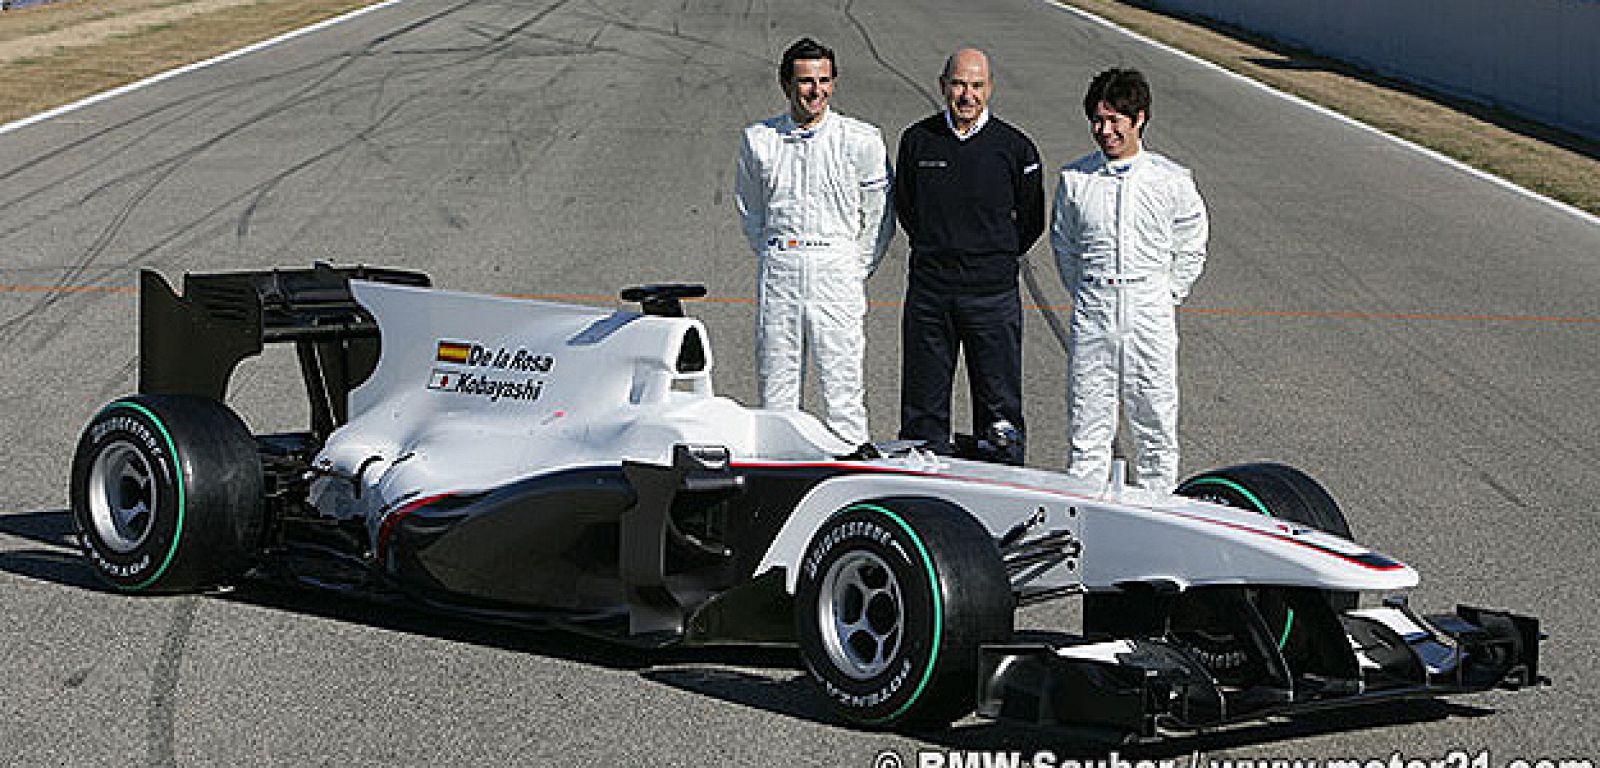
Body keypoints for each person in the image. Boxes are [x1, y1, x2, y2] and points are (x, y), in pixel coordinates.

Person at [1051, 68, 1209, 492]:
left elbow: (1191, 245)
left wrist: (1164, 295)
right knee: (1088, 425)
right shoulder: (1075, 181)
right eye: (1098, 122)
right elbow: (1064, 249)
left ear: (1139, 119)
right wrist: (1091, 292)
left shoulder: (1171, 180)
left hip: (1149, 307)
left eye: (1114, 121)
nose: (1105, 132)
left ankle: (1159, 514)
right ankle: (1084, 522)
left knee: (1155, 421)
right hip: (1095, 307)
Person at [734, 37, 894, 446]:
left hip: (837, 271)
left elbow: (879, 217)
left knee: (843, 392)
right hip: (781, 268)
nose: (815, 91)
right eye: (805, 81)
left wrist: (852, 268)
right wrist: (776, 253)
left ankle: (851, 478)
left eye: (823, 80)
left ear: (834, 83)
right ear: (786, 84)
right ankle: (777, 482)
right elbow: (751, 211)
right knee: (777, 390)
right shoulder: (759, 141)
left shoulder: (861, 140)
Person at [893, 48, 1045, 464]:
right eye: (959, 84)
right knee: (923, 411)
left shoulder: (1016, 149)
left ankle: (1001, 489)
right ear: (943, 86)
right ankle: (922, 494)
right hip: (931, 294)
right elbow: (907, 209)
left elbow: (1030, 222)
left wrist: (989, 260)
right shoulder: (917, 141)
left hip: (991, 296)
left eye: (976, 86)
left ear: (989, 88)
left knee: (999, 417)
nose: (967, 95)